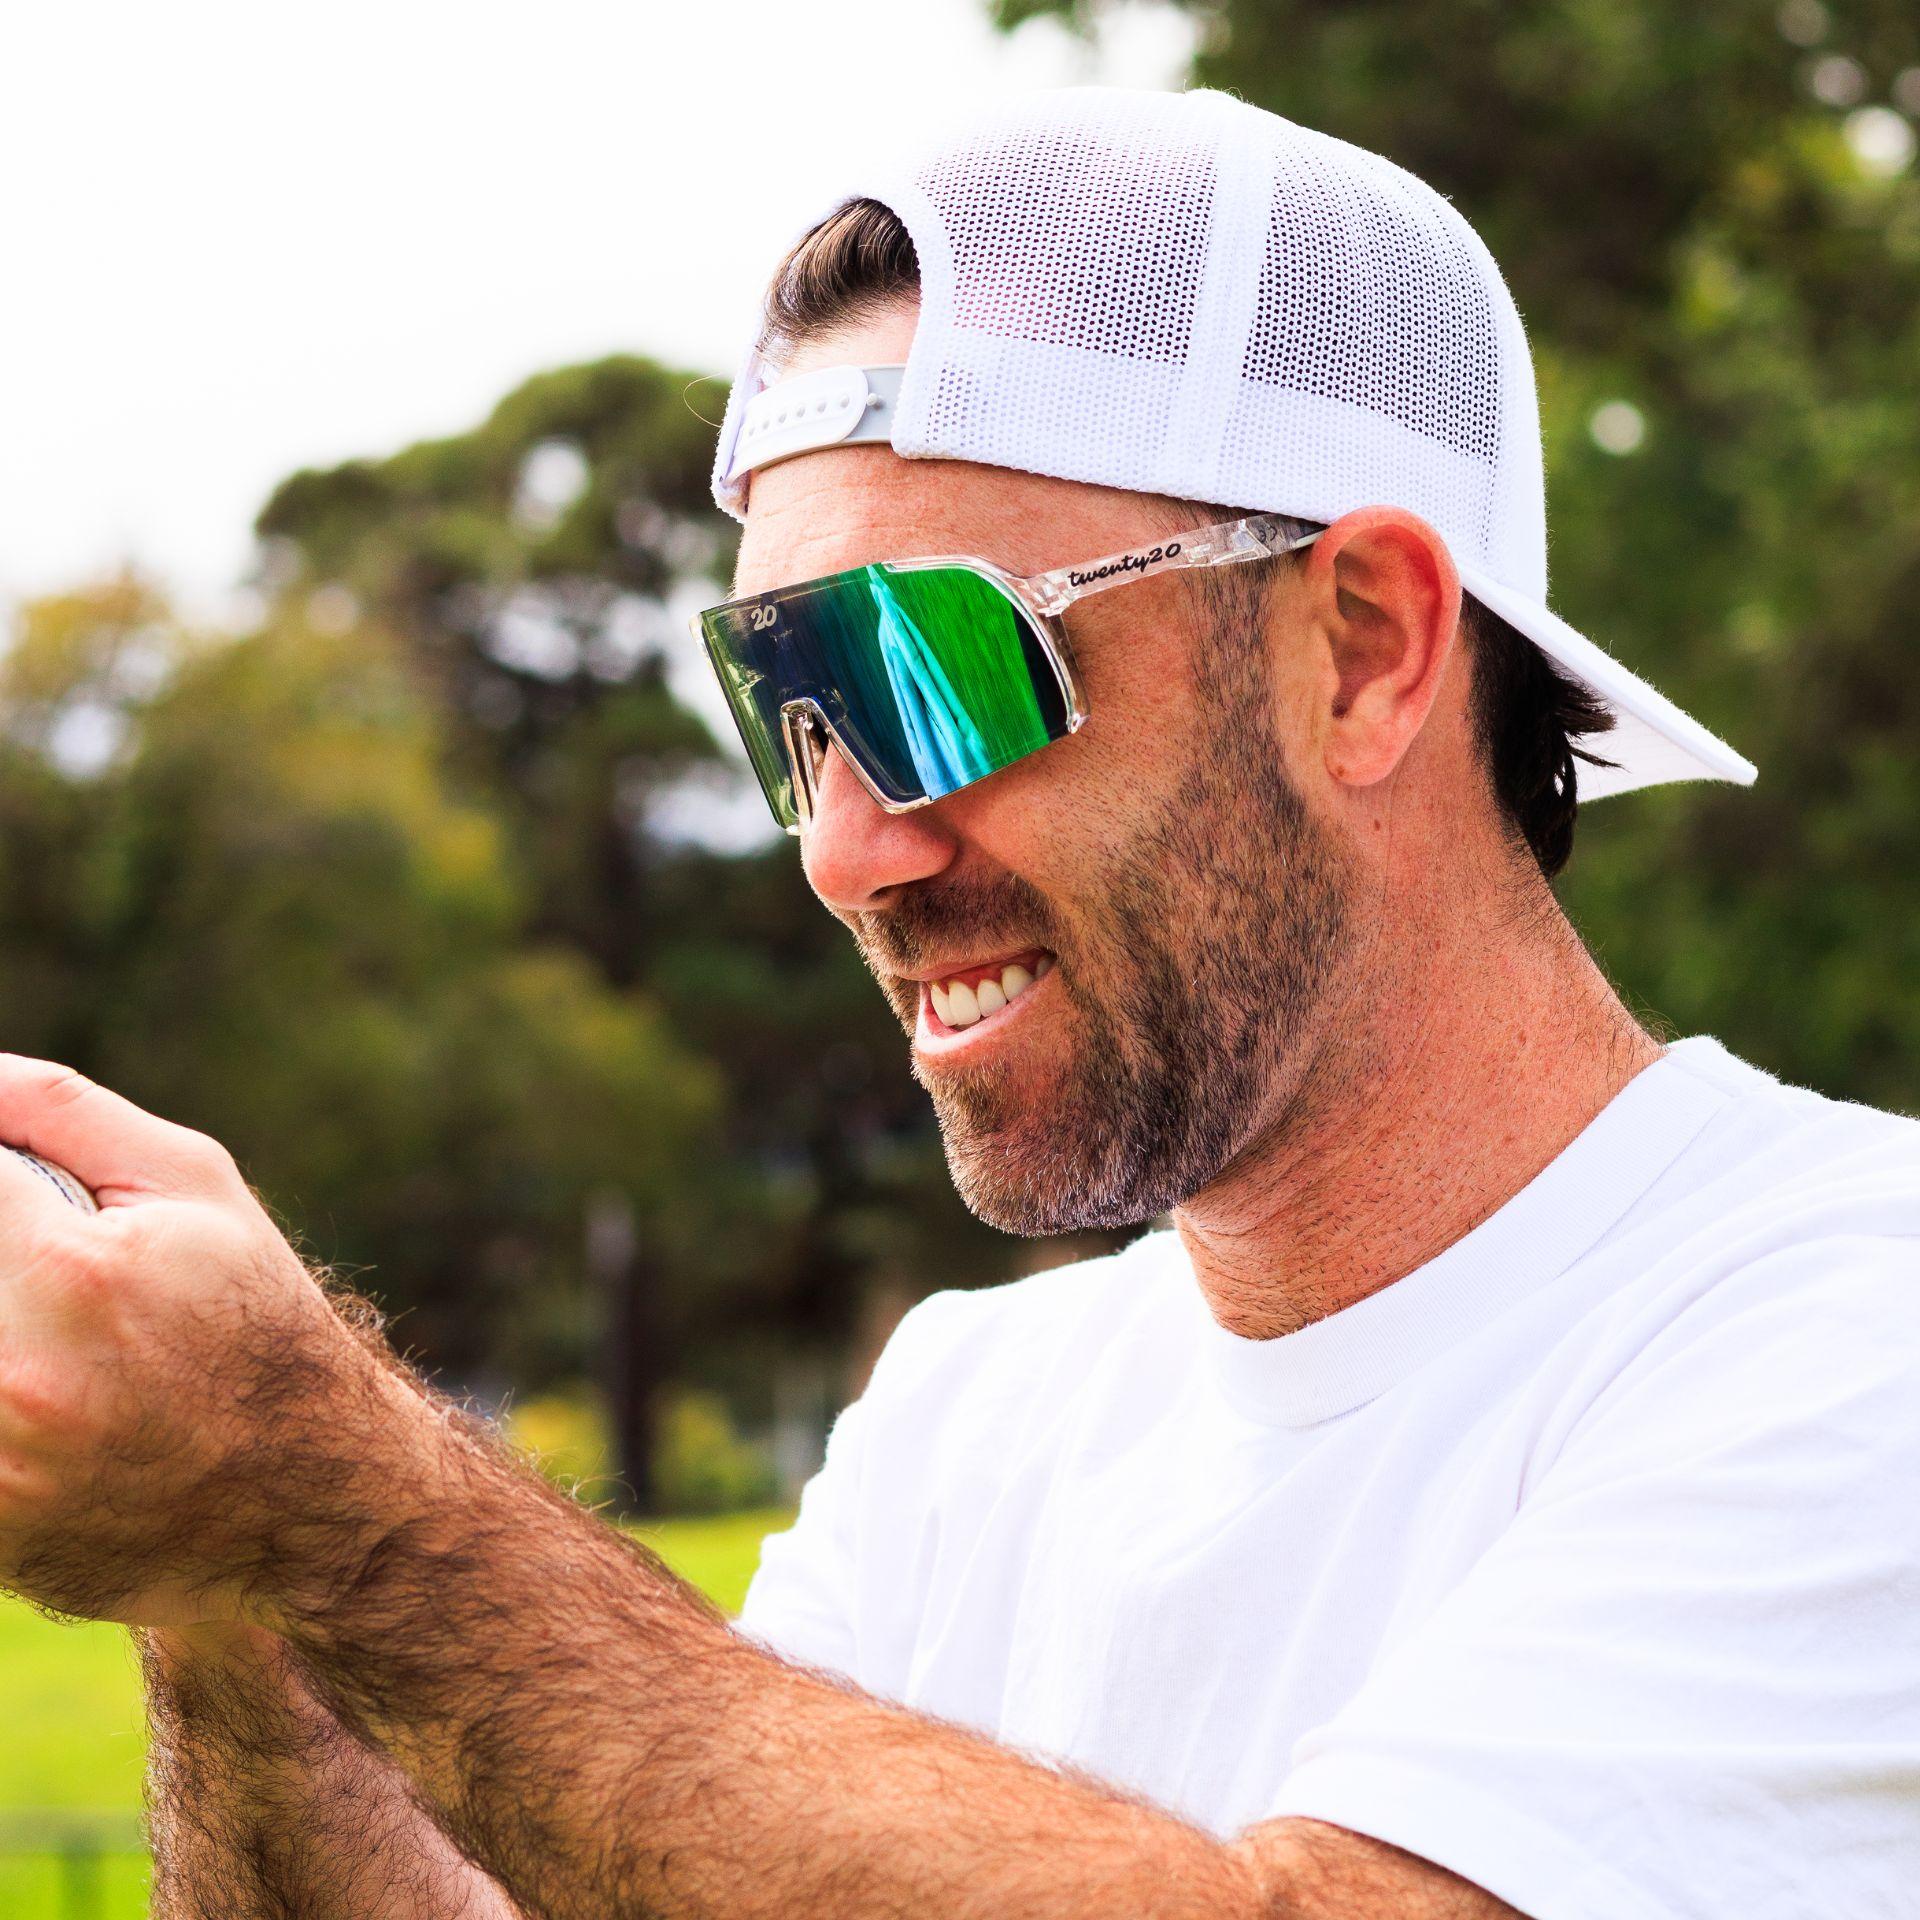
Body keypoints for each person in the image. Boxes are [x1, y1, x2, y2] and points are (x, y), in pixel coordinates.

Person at [1, 86, 1914, 1920]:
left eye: (927, 670)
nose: (844, 852)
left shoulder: (1847, 1325)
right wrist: (225, 1565)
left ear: (1364, 648)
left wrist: (351, 1512)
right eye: (785, 705)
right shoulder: (973, 1418)